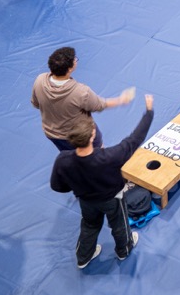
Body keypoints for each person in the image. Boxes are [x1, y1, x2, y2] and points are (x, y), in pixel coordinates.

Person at [50, 95, 153, 267]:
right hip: (112, 199)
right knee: (119, 224)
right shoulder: (110, 157)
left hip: (86, 200)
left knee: (89, 225)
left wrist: (76, 187)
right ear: (92, 135)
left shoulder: (63, 160)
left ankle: (83, 257)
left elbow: (57, 186)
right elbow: (135, 139)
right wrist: (149, 112)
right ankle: (124, 250)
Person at [31, 46, 135, 151]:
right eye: (75, 59)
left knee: (71, 157)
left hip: (53, 135)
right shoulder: (81, 92)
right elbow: (100, 105)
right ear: (70, 68)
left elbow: (36, 104)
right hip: (82, 135)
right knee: (97, 153)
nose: (76, 60)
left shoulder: (39, 80)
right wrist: (121, 99)